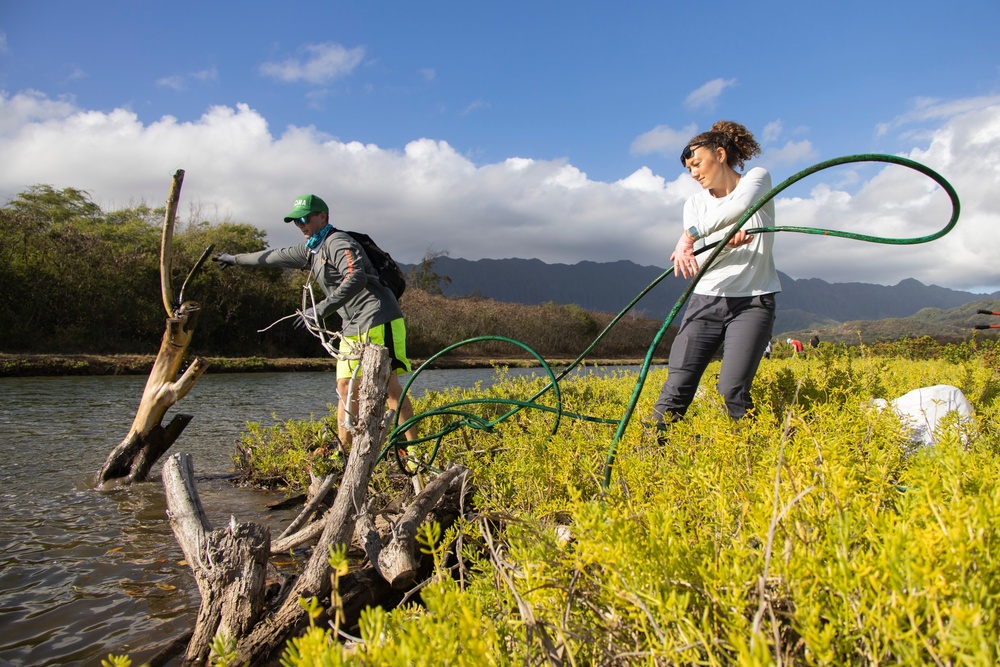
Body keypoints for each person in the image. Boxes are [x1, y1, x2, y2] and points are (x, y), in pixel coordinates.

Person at [213, 194, 418, 452]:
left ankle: (413, 451)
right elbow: (273, 256)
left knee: (388, 389)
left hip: (379, 317)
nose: (300, 225)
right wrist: (235, 259)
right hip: (351, 327)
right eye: (295, 221)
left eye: (305, 218)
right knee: (345, 388)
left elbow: (356, 278)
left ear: (323, 217)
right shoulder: (312, 249)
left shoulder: (337, 241)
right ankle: (345, 452)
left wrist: (318, 310)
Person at [650, 120, 780, 427]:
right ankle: (651, 453)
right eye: (689, 169)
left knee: (732, 390)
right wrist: (722, 244)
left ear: (720, 154)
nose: (694, 173)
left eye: (697, 164)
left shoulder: (758, 179)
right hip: (706, 301)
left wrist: (689, 236)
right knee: (677, 386)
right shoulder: (694, 203)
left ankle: (751, 455)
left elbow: (738, 209)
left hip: (753, 301)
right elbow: (704, 257)